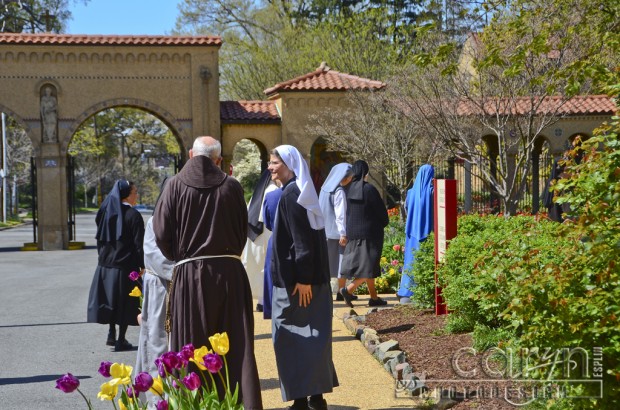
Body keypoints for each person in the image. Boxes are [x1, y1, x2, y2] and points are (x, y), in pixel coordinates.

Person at [152, 136, 262, 409]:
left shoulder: (174, 185)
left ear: (191, 154)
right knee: (236, 344)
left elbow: (161, 233)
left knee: (191, 343)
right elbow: (241, 232)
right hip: (229, 274)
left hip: (189, 276)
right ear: (219, 160)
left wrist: (181, 257)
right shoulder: (232, 186)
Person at [268, 145, 338, 410]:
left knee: (289, 340)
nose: (270, 167)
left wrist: (304, 279)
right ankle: (315, 397)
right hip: (307, 281)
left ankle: (300, 400)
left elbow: (301, 243)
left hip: (298, 284)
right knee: (315, 340)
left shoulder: (290, 195)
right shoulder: (302, 191)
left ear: (288, 164)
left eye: (274, 163)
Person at [87, 180, 144, 352]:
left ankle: (111, 333)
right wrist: (142, 265)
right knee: (125, 303)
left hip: (105, 266)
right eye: (135, 192)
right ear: (127, 194)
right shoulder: (133, 215)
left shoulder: (105, 213)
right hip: (125, 266)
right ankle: (121, 339)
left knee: (111, 301)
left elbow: (99, 239)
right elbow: (139, 244)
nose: (136, 195)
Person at [134, 177, 174, 405]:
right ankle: (156, 400)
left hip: (176, 285)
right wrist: (187, 273)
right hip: (161, 287)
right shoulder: (155, 221)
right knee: (157, 341)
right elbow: (156, 258)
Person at [339, 160, 389, 307]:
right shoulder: (369, 189)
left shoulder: (348, 189)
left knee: (367, 266)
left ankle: (374, 298)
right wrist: (384, 222)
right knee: (369, 266)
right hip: (369, 234)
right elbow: (381, 212)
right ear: (365, 173)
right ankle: (348, 290)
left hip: (353, 234)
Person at [318, 163, 357, 302]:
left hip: (324, 232)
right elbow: (340, 215)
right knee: (341, 264)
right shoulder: (338, 191)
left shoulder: (324, 189)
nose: (350, 180)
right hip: (336, 234)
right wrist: (343, 233)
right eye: (350, 177)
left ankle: (324, 293)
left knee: (325, 264)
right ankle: (341, 292)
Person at [396, 164, 434, 304]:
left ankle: (405, 293)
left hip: (411, 233)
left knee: (410, 261)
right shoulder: (432, 192)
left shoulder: (411, 192)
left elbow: (406, 209)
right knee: (423, 262)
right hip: (426, 233)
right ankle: (421, 295)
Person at [242, 169, 279, 312]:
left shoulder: (258, 191)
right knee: (265, 267)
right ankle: (264, 302)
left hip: (254, 234)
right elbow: (269, 216)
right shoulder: (273, 189)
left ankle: (261, 301)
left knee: (257, 268)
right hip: (266, 233)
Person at [261, 184, 282, 320]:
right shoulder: (303, 194)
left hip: (275, 240)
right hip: (299, 243)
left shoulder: (271, 196)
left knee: (271, 276)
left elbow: (267, 223)